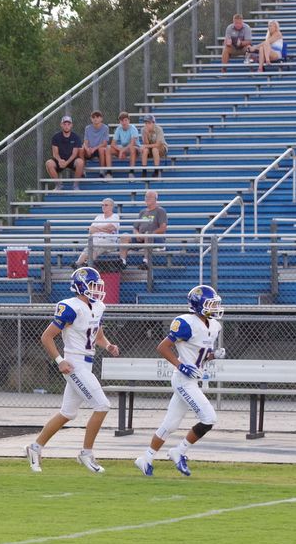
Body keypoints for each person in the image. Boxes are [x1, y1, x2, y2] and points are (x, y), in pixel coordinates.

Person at [24, 267, 119, 474]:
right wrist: (59, 360)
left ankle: (34, 448)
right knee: (102, 405)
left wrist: (108, 345)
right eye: (92, 285)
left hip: (87, 363)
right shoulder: (70, 307)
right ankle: (86, 453)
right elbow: (46, 336)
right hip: (74, 364)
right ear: (81, 286)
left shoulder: (98, 306)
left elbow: (97, 335)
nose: (97, 289)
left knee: (67, 413)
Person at [134, 285, 225, 477]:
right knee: (209, 418)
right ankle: (179, 451)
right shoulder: (186, 323)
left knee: (170, 424)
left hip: (192, 379)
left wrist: (213, 355)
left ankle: (146, 458)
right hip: (183, 380)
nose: (215, 307)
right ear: (199, 305)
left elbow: (200, 354)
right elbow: (163, 347)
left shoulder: (214, 326)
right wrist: (180, 365)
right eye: (210, 304)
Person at [119, 189, 168, 267]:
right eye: (146, 197)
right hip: (141, 238)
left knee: (148, 235)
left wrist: (149, 234)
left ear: (155, 199)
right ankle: (122, 262)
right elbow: (135, 227)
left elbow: (163, 228)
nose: (147, 198)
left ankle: (146, 261)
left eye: (150, 197)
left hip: (155, 238)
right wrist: (137, 234)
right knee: (124, 236)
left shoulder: (160, 211)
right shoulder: (142, 212)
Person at [76, 198, 120, 266]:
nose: (103, 207)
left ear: (111, 207)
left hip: (109, 242)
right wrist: (104, 229)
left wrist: (97, 229)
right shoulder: (98, 217)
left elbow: (111, 227)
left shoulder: (115, 216)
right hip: (96, 240)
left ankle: (84, 265)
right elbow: (91, 230)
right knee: (89, 247)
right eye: (102, 205)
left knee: (95, 247)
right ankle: (79, 264)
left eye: (106, 205)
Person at [45, 116, 84, 188]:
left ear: (71, 125)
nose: (66, 126)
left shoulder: (76, 137)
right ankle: (58, 186)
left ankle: (75, 185)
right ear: (61, 125)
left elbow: (74, 154)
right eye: (64, 124)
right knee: (49, 163)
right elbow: (55, 153)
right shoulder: (56, 137)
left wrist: (66, 162)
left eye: (68, 124)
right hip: (60, 161)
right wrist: (60, 160)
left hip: (71, 160)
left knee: (80, 162)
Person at [82, 111, 111, 178]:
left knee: (101, 149)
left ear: (101, 118)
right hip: (90, 149)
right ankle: (82, 172)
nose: (95, 119)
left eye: (97, 117)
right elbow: (85, 142)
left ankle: (102, 171)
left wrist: (94, 148)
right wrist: (87, 149)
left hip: (99, 149)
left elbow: (105, 143)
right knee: (81, 150)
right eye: (93, 117)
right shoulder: (87, 128)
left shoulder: (105, 128)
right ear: (91, 119)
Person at [110, 112, 140, 177]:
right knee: (108, 149)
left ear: (129, 121)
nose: (124, 122)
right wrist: (121, 150)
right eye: (122, 121)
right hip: (125, 149)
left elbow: (132, 143)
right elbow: (113, 144)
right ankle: (108, 172)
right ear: (120, 122)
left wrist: (122, 151)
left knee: (132, 148)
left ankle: (131, 172)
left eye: (125, 120)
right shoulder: (119, 128)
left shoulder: (133, 128)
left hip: (135, 148)